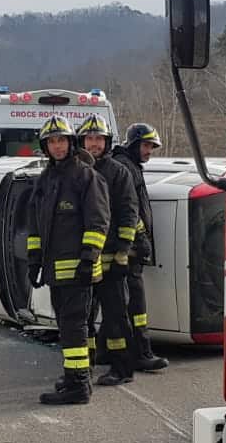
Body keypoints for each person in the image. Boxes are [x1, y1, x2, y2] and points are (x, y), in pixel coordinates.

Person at [26, 115, 111, 405]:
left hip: (79, 270)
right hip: (55, 271)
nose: (58, 146)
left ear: (71, 142)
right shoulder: (46, 179)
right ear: (45, 146)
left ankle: (78, 387)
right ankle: (75, 375)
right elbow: (35, 224)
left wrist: (89, 258)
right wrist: (33, 259)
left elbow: (98, 220)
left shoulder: (85, 176)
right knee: (66, 326)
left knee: (74, 326)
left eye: (62, 140)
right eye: (52, 141)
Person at [75, 114, 141, 385]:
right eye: (89, 139)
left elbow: (129, 213)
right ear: (81, 141)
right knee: (85, 316)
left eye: (99, 139)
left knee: (116, 317)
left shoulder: (118, 172)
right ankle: (85, 366)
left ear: (107, 141)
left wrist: (124, 251)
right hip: (83, 259)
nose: (94, 144)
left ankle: (122, 369)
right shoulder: (75, 171)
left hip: (112, 257)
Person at [112, 123, 169, 372]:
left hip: (129, 246)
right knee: (135, 302)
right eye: (146, 146)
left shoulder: (129, 166)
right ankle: (141, 352)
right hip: (129, 248)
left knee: (125, 300)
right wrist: (141, 238)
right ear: (134, 144)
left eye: (152, 147)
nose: (149, 151)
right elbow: (128, 210)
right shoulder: (125, 168)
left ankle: (113, 350)